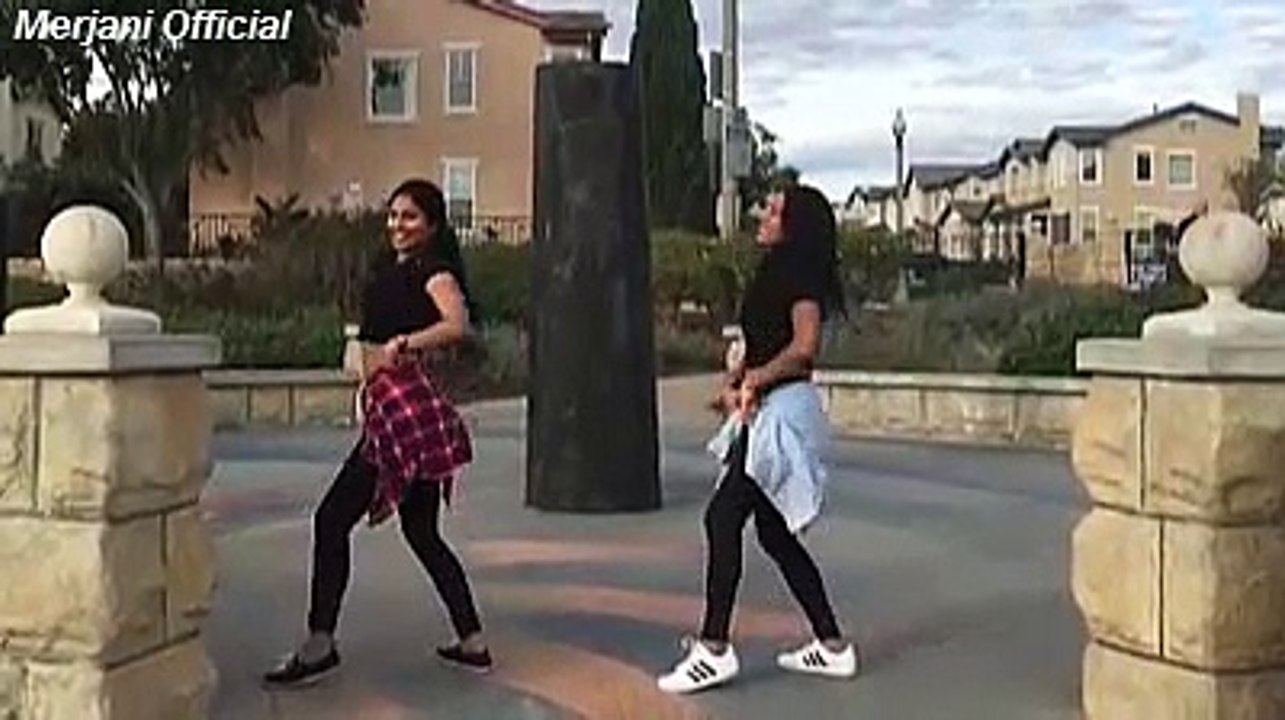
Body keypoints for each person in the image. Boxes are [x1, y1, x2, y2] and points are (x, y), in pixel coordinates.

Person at [263, 179, 491, 688]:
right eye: (392, 216)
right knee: (422, 532)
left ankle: (320, 643)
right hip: (393, 413)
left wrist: (407, 341)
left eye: (409, 216)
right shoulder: (392, 269)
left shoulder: (433, 271)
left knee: (331, 520)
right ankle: (472, 639)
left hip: (406, 421)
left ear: (432, 224)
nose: (397, 225)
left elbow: (458, 323)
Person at [658, 184, 859, 694]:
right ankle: (832, 645)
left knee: (722, 517)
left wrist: (756, 380)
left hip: (783, 414)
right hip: (765, 408)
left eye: (773, 211)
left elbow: (805, 347)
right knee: (772, 532)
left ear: (793, 225)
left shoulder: (800, 276)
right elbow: (765, 343)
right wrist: (735, 382)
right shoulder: (774, 271)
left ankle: (714, 649)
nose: (762, 217)